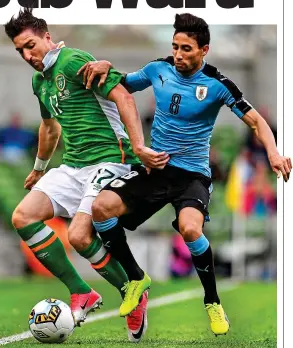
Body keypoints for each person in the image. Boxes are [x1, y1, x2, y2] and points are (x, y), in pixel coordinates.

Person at [78, 13, 292, 336]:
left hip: (192, 176)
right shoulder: (158, 69)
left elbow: (256, 122)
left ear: (204, 49)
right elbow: (122, 84)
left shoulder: (218, 85)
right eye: (175, 47)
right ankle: (137, 278)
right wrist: (107, 66)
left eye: (186, 49)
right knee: (100, 208)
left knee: (191, 229)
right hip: (156, 168)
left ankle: (213, 301)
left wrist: (274, 153)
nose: (178, 55)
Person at [4, 8, 169, 342]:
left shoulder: (72, 60)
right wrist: (38, 169)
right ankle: (82, 292)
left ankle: (131, 291)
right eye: (20, 50)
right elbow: (50, 129)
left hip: (109, 158)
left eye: (30, 45)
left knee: (79, 235)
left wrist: (138, 145)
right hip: (73, 165)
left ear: (47, 36)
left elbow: (122, 94)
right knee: (23, 216)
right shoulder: (40, 81)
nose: (27, 55)